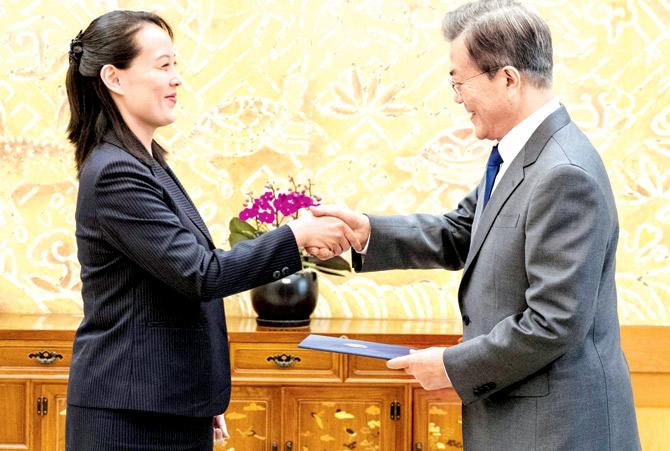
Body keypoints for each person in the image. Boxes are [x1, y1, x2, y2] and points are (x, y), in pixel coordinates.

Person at [310, 1, 641, 449]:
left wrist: (453, 365)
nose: (458, 98)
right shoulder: (521, 153)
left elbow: (554, 322)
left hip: (556, 429)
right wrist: (368, 232)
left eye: (458, 81)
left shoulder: (564, 173)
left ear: (507, 79)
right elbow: (463, 232)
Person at [64, 10, 359, 451]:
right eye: (163, 65)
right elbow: (200, 274)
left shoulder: (147, 163)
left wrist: (197, 395)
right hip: (129, 420)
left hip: (165, 406)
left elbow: (174, 283)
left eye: (176, 65)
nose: (177, 78)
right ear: (115, 78)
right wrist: (294, 236)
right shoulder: (115, 173)